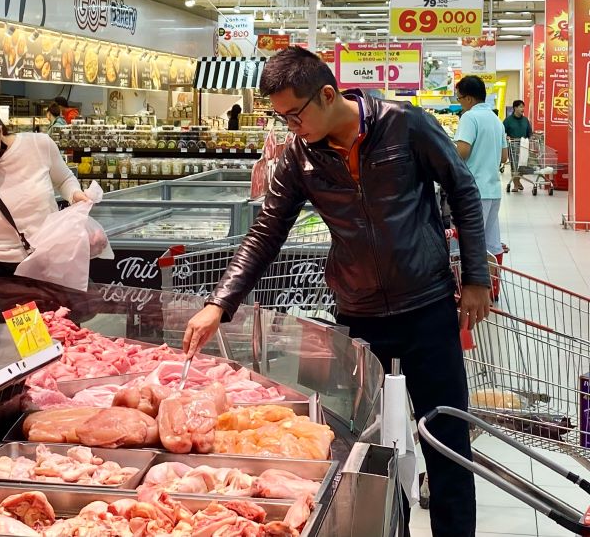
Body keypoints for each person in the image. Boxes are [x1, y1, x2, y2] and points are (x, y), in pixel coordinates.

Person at [182, 47, 490, 537]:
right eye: (281, 117)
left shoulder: (404, 124)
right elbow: (267, 231)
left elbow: (463, 189)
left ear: (327, 94)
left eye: (295, 114)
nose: (290, 127)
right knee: (368, 450)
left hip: (427, 306)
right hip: (359, 318)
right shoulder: (300, 158)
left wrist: (476, 277)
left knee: (445, 439)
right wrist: (220, 302)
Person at [0, 100, 89, 293]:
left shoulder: (39, 145)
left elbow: (64, 179)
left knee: (56, 322)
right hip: (1, 271)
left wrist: (74, 194)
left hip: (50, 262)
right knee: (3, 323)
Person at [454, 75, 508, 280]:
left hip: (474, 190)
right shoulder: (496, 119)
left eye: (459, 99)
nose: (460, 104)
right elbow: (504, 157)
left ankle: (472, 287)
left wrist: (448, 151)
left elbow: (463, 151)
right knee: (492, 241)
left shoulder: (469, 117)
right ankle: (493, 288)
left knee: (471, 242)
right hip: (493, 191)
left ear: (468, 99)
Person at [502, 99, 533, 191]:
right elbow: (502, 132)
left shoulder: (525, 120)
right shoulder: (508, 121)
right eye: (520, 107)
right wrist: (506, 137)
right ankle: (515, 185)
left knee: (522, 165)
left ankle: (518, 181)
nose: (522, 108)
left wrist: (531, 139)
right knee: (514, 165)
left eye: (523, 106)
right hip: (513, 146)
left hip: (524, 146)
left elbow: (529, 133)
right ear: (515, 108)